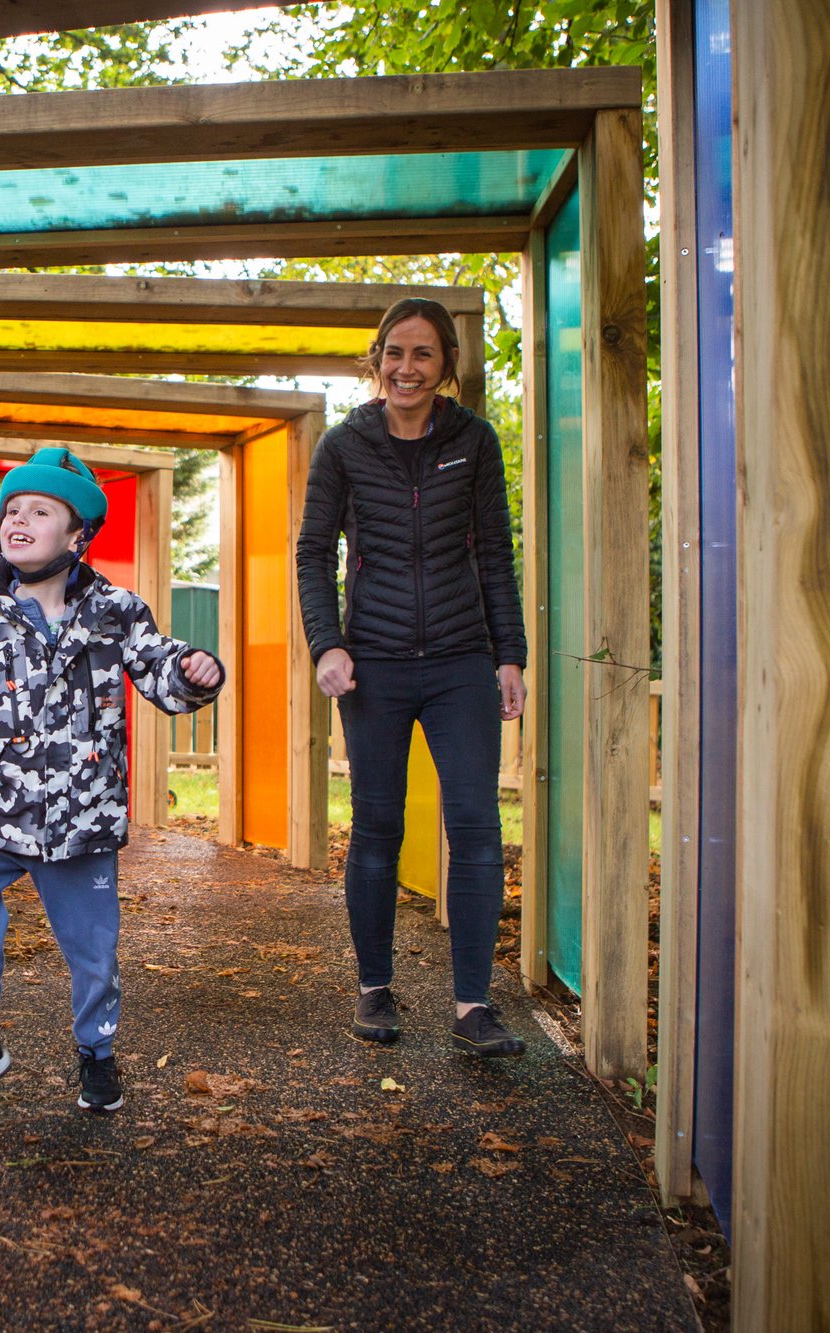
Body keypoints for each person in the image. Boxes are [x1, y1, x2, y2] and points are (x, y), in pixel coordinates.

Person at [0, 446, 225, 1117]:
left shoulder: (115, 611)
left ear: (77, 534)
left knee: (93, 949)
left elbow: (161, 670)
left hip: (82, 820)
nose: (19, 518)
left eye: (40, 509)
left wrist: (197, 672)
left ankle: (98, 1052)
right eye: (12, 508)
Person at [294, 296, 530, 1058]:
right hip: (377, 665)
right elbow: (312, 553)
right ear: (377, 359)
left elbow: (494, 550)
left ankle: (472, 1007)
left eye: (424, 354)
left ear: (445, 367)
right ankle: (373, 987)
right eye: (395, 352)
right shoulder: (344, 445)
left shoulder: (475, 441)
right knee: (378, 828)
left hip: (462, 660)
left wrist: (509, 654)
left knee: (476, 828)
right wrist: (327, 644)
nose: (407, 367)